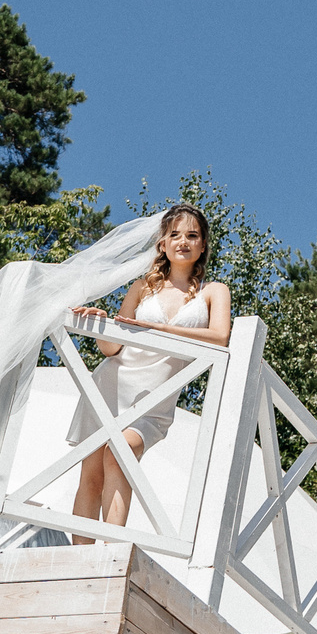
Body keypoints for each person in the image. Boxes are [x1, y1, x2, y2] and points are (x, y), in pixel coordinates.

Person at [67, 203, 231, 529]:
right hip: (113, 383)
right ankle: (84, 557)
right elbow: (112, 348)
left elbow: (220, 337)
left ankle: (111, 549)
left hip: (156, 397)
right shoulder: (142, 287)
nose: (183, 241)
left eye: (192, 235)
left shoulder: (214, 292)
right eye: (175, 235)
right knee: (92, 471)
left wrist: (161, 329)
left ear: (203, 245)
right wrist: (101, 324)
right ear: (163, 244)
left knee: (122, 450)